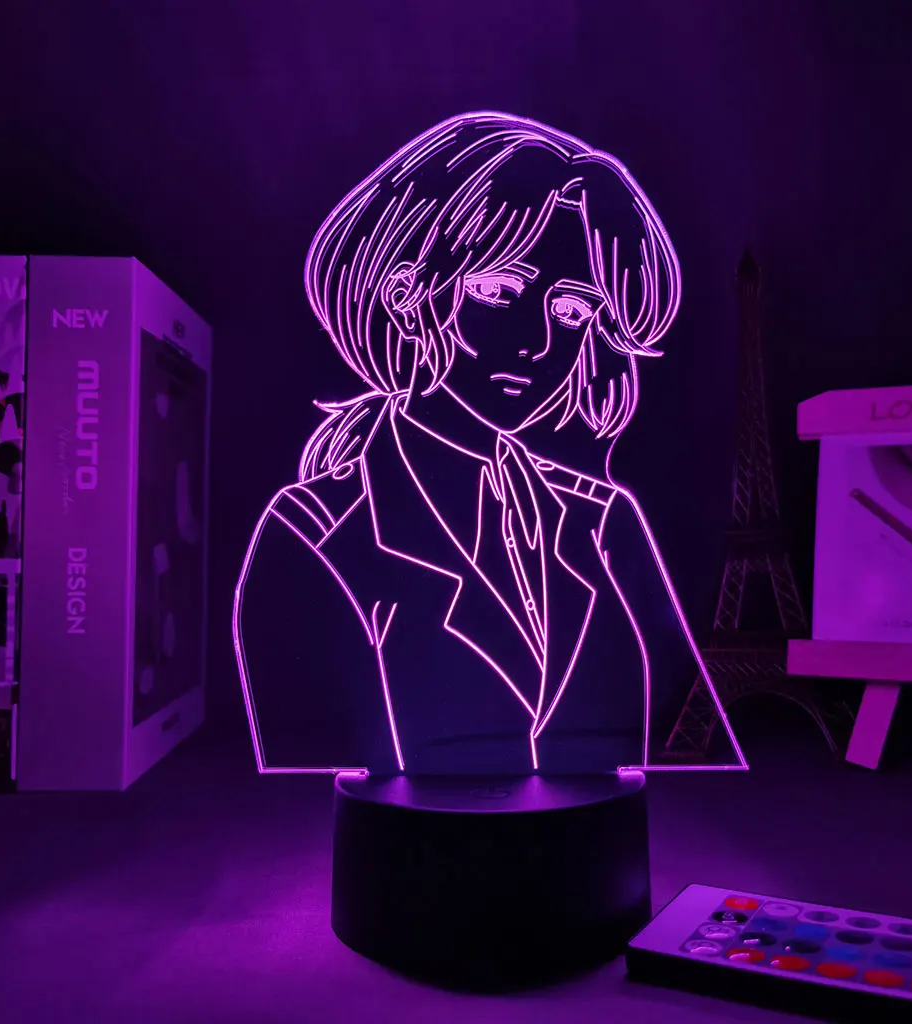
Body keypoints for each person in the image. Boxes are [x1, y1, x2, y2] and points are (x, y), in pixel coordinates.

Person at [234, 112, 729, 775]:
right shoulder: (319, 534)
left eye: (572, 310)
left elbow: (680, 753)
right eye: (500, 291)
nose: (539, 344)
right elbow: (300, 787)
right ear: (406, 294)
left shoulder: (604, 523)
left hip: (603, 838)